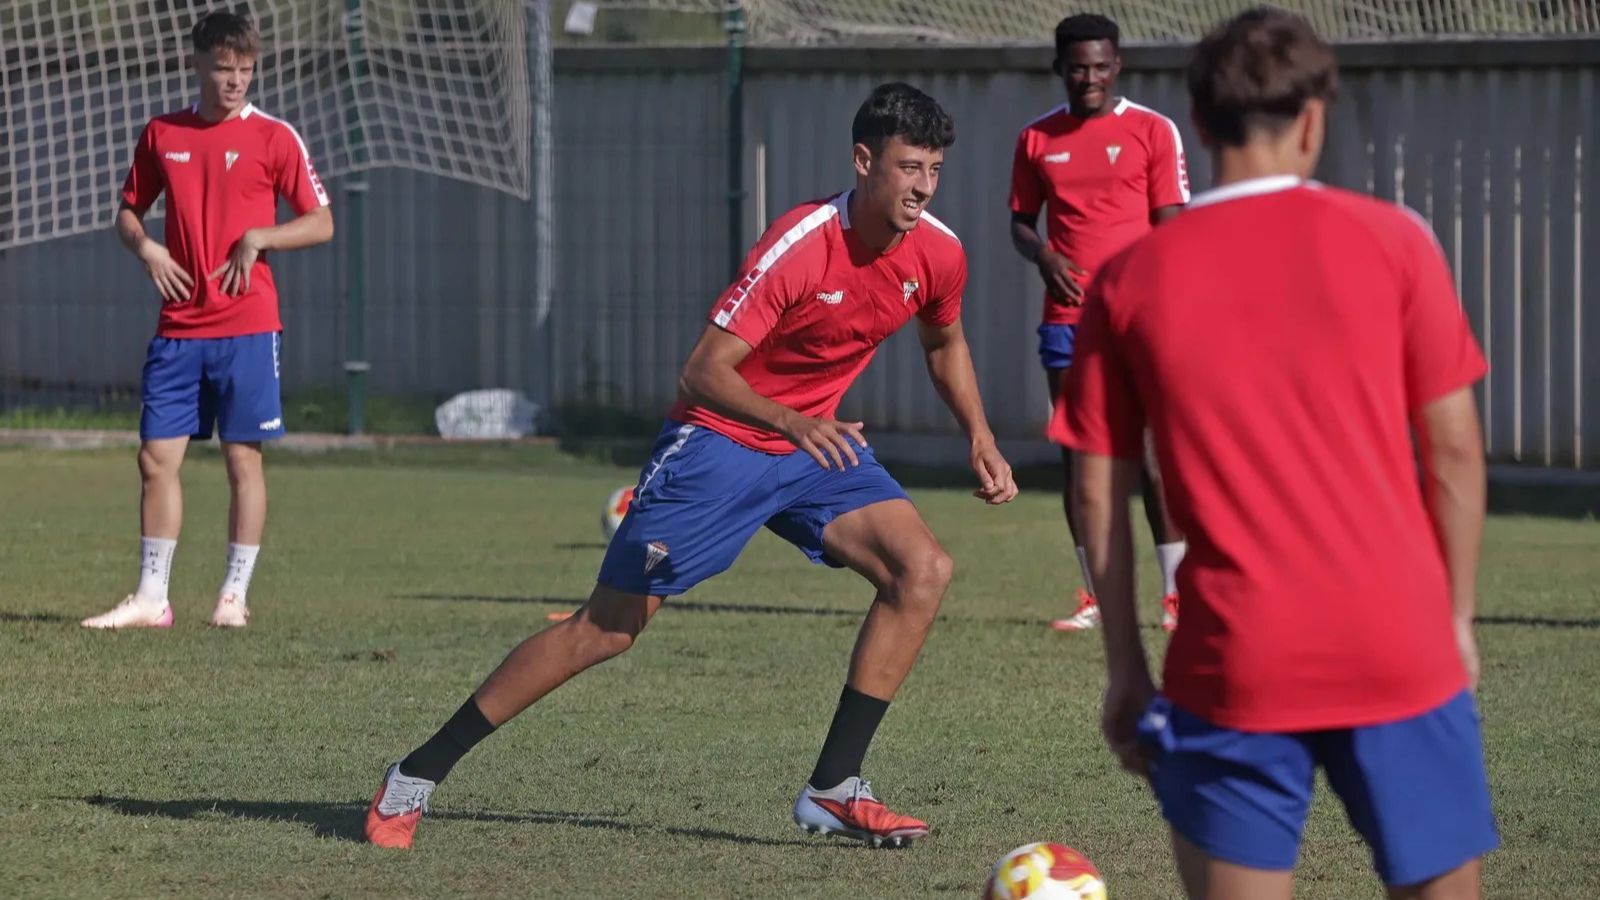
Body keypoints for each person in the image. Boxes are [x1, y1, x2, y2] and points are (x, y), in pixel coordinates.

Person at [364, 82, 1018, 851]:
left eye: (935, 170)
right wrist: (790, 421)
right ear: (864, 159)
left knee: (923, 570)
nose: (923, 187)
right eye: (910, 168)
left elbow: (944, 343)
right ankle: (414, 774)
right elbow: (702, 371)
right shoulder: (801, 244)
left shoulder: (939, 252)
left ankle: (834, 786)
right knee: (606, 630)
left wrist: (978, 433)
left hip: (814, 449)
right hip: (722, 441)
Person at [1057, 8, 1497, 899]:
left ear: (1202, 124)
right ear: (1312, 119)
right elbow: (1454, 454)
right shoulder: (1399, 243)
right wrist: (1453, 621)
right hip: (1399, 644)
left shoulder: (1130, 280)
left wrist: (1126, 673)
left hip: (1234, 660)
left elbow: (1101, 495)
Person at [82, 11, 333, 631]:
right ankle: (151, 598)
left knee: (242, 459)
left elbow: (321, 222)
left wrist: (260, 236)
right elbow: (128, 212)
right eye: (224, 69)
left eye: (246, 70)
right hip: (178, 328)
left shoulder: (275, 137)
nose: (235, 81)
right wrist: (147, 249)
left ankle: (232, 596)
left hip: (247, 325)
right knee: (154, 459)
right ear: (196, 63)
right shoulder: (163, 132)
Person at [1009, 13, 1190, 633]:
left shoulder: (1151, 131)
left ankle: (1175, 599)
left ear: (1118, 67)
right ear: (1060, 68)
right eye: (1078, 67)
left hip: (1138, 323)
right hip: (1066, 321)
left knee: (1148, 455)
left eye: (1101, 66)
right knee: (1077, 460)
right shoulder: (1035, 140)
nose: (1090, 78)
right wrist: (1045, 255)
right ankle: (1094, 599)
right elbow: (1020, 224)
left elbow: (1173, 227)